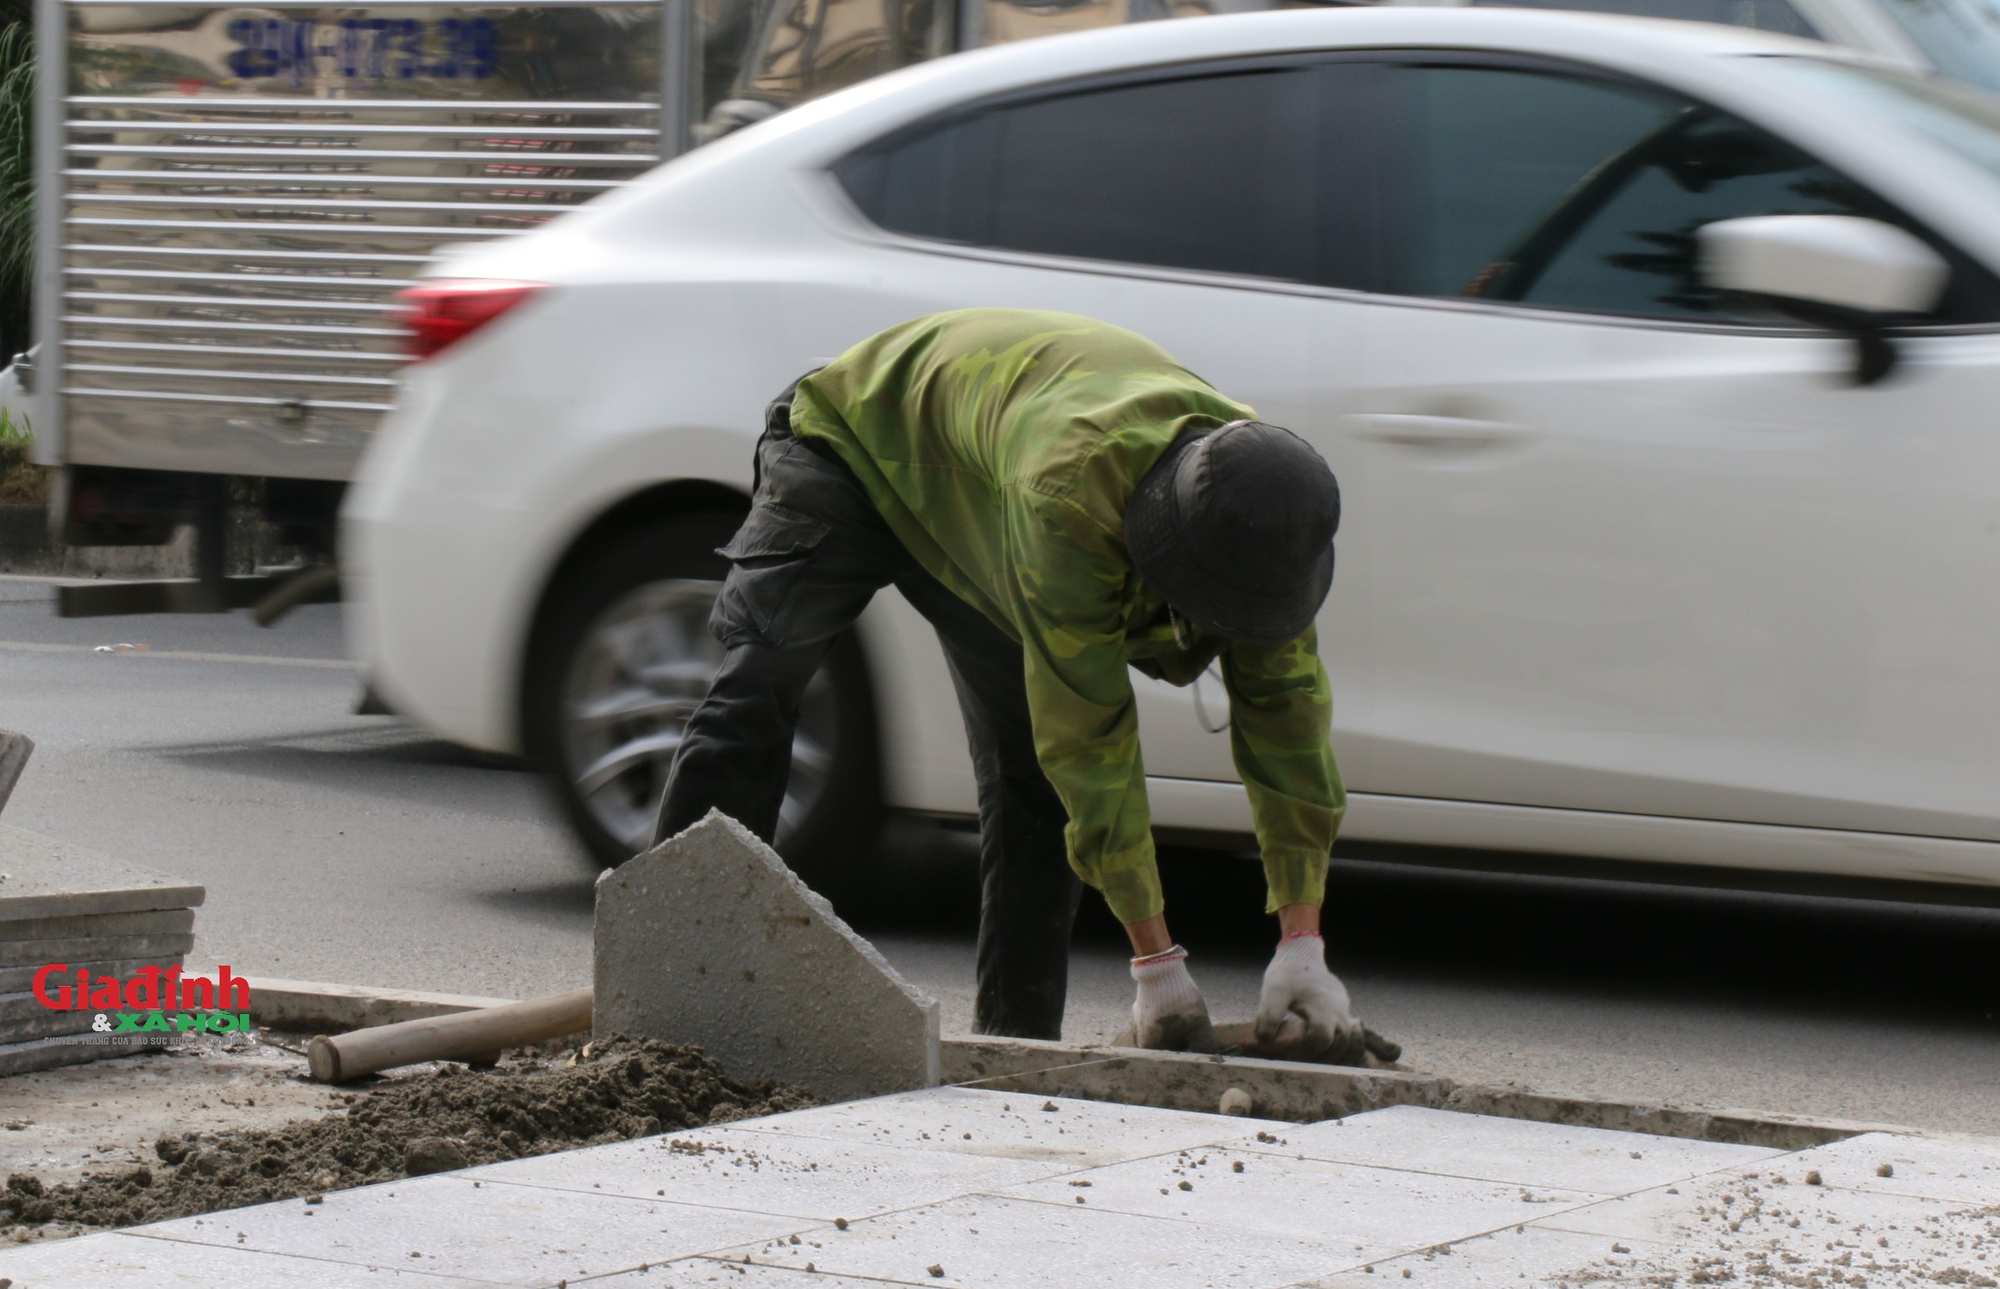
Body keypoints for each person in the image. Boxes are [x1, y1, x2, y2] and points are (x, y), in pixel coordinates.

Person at [651, 308, 1354, 1056]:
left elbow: (1289, 732)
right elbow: (1090, 742)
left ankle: (1015, 1057)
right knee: (759, 689)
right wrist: (1158, 965)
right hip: (854, 443)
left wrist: (1303, 940)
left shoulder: (1267, 525)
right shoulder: (1073, 503)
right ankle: (665, 1005)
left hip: (983, 495)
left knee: (1033, 788)